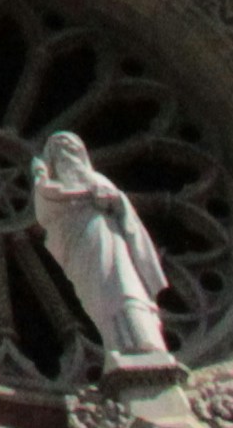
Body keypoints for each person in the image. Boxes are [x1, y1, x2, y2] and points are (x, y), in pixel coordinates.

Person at [30, 129, 173, 362]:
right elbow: (46, 206)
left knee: (124, 287)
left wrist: (114, 200)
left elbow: (118, 203)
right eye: (59, 151)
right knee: (100, 296)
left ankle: (144, 343)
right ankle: (117, 344)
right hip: (78, 247)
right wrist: (40, 177)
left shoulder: (96, 179)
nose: (66, 154)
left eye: (70, 148)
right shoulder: (50, 188)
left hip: (107, 237)